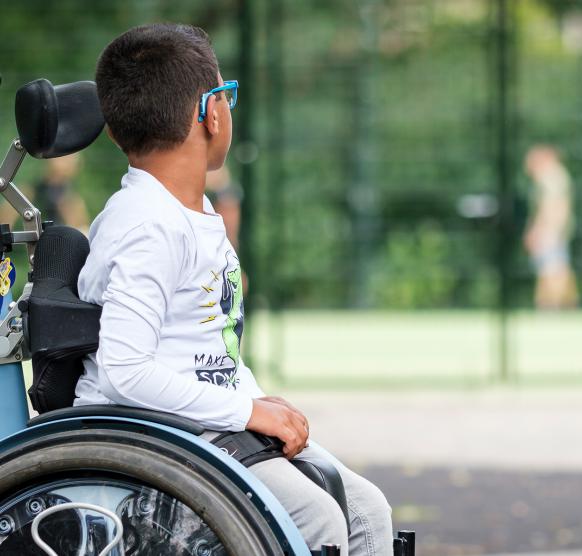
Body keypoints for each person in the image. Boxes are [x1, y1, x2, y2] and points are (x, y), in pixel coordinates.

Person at [73, 24, 392, 555]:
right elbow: (127, 370)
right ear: (212, 112)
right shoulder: (148, 225)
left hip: (202, 422)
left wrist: (252, 401)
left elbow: (203, 347)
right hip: (156, 431)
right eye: (227, 94)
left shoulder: (188, 211)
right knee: (316, 523)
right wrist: (247, 414)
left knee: (365, 512)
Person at [523, 145, 579, 309]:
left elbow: (552, 207)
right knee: (557, 267)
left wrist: (542, 231)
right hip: (554, 229)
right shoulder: (556, 176)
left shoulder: (552, 177)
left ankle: (552, 305)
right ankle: (561, 305)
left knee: (553, 269)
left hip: (551, 230)